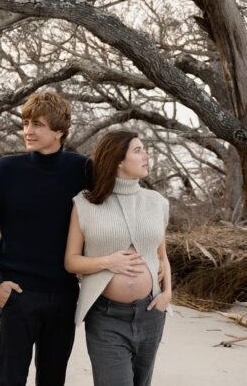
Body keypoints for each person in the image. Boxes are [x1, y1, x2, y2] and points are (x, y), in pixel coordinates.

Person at [0, 90, 90, 386]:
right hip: (18, 296)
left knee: (52, 380)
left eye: (37, 125)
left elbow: (110, 213)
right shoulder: (6, 170)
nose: (28, 131)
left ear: (59, 131)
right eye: (25, 124)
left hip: (64, 296)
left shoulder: (82, 170)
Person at [65, 130, 171, 386]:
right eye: (138, 151)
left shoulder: (157, 202)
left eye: (144, 149)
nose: (146, 156)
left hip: (151, 313)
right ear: (118, 160)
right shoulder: (85, 204)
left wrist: (167, 294)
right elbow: (71, 261)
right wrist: (107, 262)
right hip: (107, 317)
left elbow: (162, 257)